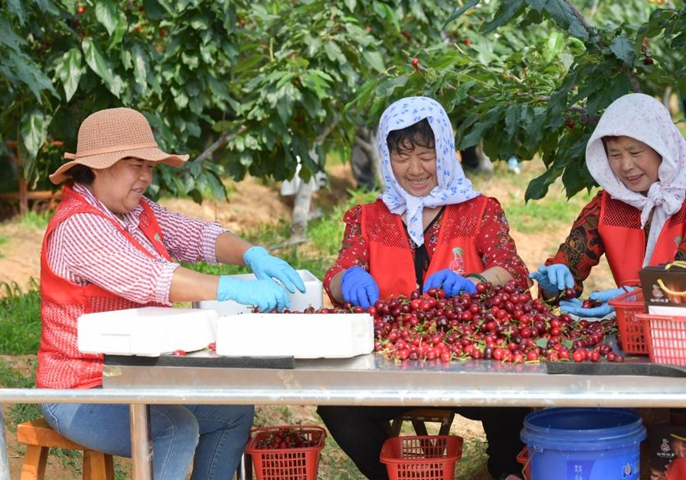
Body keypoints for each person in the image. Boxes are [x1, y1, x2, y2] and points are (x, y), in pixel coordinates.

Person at [37, 107, 307, 480]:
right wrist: (231, 288)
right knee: (174, 428)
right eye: (136, 165)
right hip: (81, 390)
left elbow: (199, 236)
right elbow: (151, 277)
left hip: (139, 381)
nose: (146, 177)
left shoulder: (138, 211)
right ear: (98, 167)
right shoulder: (79, 226)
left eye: (150, 166)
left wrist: (251, 253)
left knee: (234, 412)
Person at [318, 96, 529, 480]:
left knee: (514, 396)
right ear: (386, 157)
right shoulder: (368, 218)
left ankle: (504, 472)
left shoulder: (479, 211)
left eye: (427, 155)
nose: (414, 169)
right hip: (391, 365)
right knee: (337, 406)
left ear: (446, 151)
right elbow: (336, 276)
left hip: (472, 363)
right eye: (401, 157)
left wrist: (474, 282)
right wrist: (346, 279)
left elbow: (513, 271)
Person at [530, 93, 686, 317]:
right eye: (614, 154)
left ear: (662, 148)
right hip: (632, 333)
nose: (626, 166)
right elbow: (568, 267)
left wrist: (634, 298)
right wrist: (554, 284)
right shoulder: (608, 205)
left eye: (635, 153)